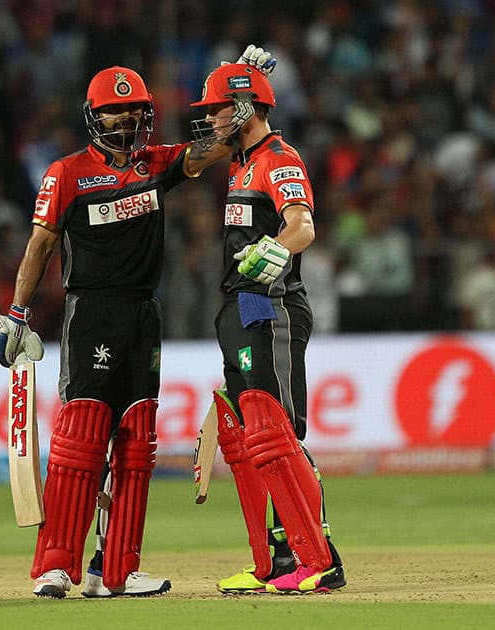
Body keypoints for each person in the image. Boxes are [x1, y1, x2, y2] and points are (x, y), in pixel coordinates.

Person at [0, 48, 276, 599]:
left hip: (143, 314)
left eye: (136, 111)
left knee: (137, 441)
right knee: (81, 440)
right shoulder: (67, 174)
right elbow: (40, 245)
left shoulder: (157, 164)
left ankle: (116, 569)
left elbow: (217, 147)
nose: (126, 121)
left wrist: (247, 92)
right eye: (114, 112)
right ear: (93, 116)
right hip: (90, 313)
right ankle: (55, 565)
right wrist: (17, 312)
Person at [190, 63, 346, 594]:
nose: (209, 118)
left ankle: (320, 558)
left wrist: (277, 247)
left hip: (269, 305)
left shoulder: (279, 158)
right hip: (238, 306)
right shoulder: (241, 162)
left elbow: (302, 224)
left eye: (217, 108)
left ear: (245, 109)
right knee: (252, 440)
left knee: (277, 435)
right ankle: (275, 562)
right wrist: (244, 74)